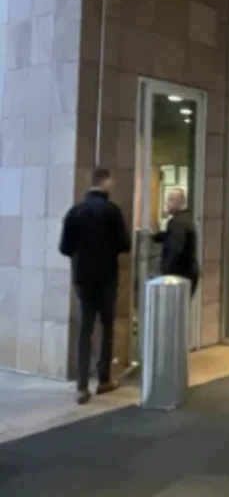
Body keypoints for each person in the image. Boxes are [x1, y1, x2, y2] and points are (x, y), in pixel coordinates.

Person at [59, 168, 131, 405]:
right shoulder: (112, 212)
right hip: (107, 277)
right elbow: (124, 244)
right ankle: (103, 379)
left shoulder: (75, 211)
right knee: (107, 326)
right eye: (111, 180)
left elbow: (64, 248)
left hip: (83, 277)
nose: (113, 184)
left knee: (85, 328)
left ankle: (81, 385)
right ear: (105, 182)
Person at [155, 188, 199, 295]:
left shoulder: (178, 223)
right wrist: (157, 236)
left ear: (180, 202)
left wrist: (166, 274)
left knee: (175, 308)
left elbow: (175, 249)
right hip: (187, 274)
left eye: (171, 200)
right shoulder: (183, 219)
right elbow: (170, 237)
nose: (167, 203)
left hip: (180, 274)